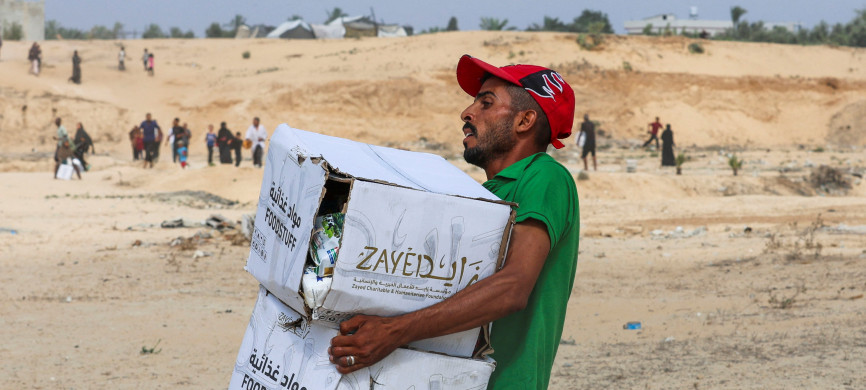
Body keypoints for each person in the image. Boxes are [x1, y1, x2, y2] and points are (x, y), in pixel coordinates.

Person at [328, 55, 580, 390]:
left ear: (525, 120)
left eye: (486, 103)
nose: (467, 113)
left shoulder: (544, 176)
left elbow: (513, 288)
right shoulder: (484, 196)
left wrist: (393, 331)